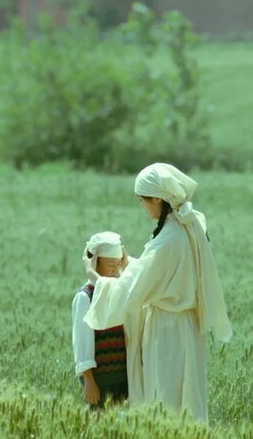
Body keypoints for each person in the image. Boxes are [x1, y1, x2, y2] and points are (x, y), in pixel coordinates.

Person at [83, 163, 231, 422]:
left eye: (143, 200)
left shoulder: (167, 240)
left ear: (157, 199)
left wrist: (95, 277)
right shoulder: (185, 228)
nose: (142, 206)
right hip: (186, 327)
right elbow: (162, 275)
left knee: (166, 398)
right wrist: (132, 265)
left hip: (167, 330)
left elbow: (132, 289)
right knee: (185, 399)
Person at [71, 232, 129, 409]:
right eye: (110, 265)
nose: (114, 270)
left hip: (123, 375)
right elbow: (82, 341)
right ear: (95, 263)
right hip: (100, 377)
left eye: (117, 265)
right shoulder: (85, 297)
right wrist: (88, 380)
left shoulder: (119, 293)